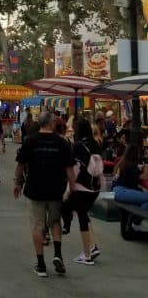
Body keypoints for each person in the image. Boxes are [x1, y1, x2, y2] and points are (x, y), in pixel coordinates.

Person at [14, 111, 76, 278]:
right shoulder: (62, 142)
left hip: (35, 188)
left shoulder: (30, 141)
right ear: (51, 124)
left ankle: (41, 264)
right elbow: (69, 169)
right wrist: (73, 188)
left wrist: (17, 183)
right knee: (55, 221)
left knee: (37, 225)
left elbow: (20, 164)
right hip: (56, 189)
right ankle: (57, 254)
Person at [62, 117, 102, 265]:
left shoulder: (78, 146)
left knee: (82, 218)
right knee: (84, 214)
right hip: (95, 187)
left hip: (81, 186)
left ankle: (87, 254)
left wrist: (68, 189)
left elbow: (75, 169)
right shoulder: (95, 144)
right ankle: (92, 247)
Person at [113, 144, 148, 226]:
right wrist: (146, 166)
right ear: (135, 154)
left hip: (118, 191)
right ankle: (135, 218)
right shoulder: (131, 165)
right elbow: (144, 177)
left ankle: (136, 218)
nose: (140, 155)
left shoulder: (124, 162)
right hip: (123, 191)